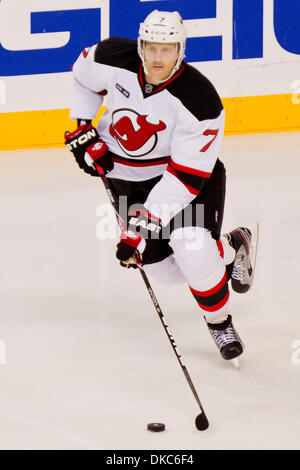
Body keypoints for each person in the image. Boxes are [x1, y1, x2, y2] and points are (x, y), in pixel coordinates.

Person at [65, 10, 258, 361]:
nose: (157, 58)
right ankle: (232, 246)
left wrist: (139, 227)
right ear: (140, 45)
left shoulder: (200, 100)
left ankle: (218, 321)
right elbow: (83, 78)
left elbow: (183, 179)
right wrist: (82, 127)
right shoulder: (111, 57)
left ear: (180, 50)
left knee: (193, 251)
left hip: (182, 182)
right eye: (151, 48)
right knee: (167, 273)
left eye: (166, 50)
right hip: (126, 180)